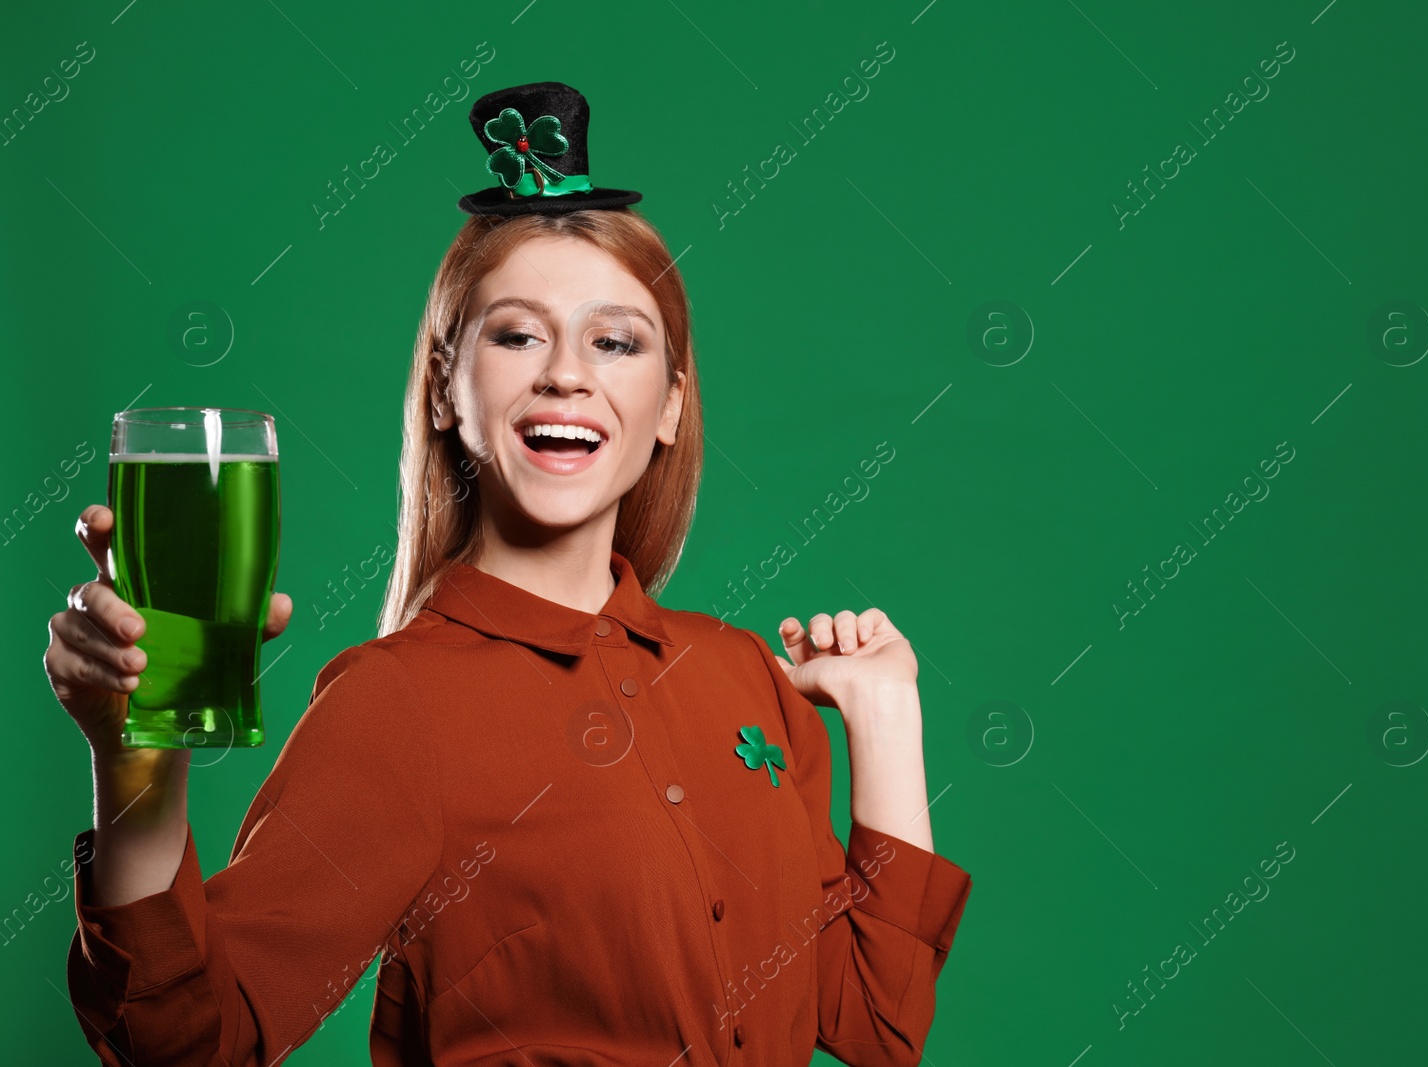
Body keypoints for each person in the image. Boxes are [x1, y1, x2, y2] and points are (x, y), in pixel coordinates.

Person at [47, 81, 972, 1067]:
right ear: (447, 387)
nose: (566, 373)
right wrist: (136, 761)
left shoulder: (745, 677)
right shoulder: (394, 705)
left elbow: (875, 1020)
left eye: (615, 341)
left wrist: (886, 716)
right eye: (518, 334)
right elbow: (183, 1044)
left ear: (668, 403)